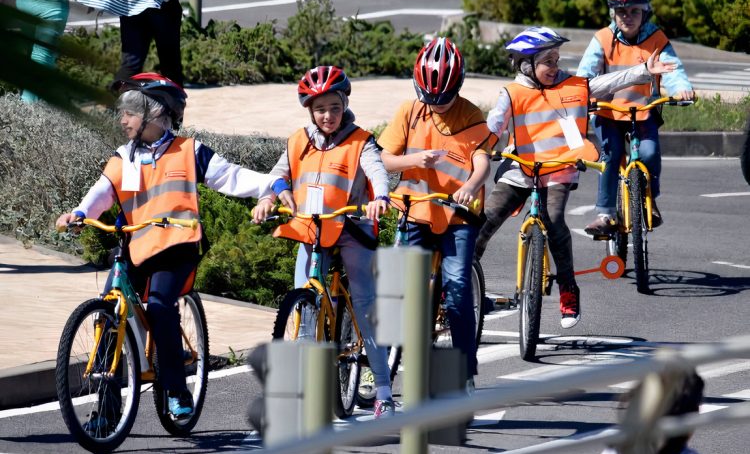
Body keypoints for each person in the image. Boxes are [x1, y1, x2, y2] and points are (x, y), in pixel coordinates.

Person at [56, 72, 282, 421]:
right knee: (107, 318)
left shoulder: (188, 151)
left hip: (178, 247)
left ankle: (176, 389)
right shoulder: (124, 156)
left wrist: (272, 185)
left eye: (130, 112)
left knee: (160, 307)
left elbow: (233, 176)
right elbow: (103, 191)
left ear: (155, 115)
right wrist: (80, 213)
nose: (122, 119)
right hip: (137, 248)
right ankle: (107, 408)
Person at [473, 26, 678, 328]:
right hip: (521, 170)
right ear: (526, 65)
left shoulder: (571, 86)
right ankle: (458, 287)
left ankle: (568, 289)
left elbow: (605, 83)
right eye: (549, 61)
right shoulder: (512, 93)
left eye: (557, 59)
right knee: (483, 223)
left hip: (558, 169)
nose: (555, 67)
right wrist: (483, 149)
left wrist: (644, 71)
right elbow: (493, 128)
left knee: (554, 220)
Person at [252, 66, 396, 418]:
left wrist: (381, 197)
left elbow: (377, 170)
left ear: (344, 104)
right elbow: (277, 175)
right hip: (312, 230)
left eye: (334, 107)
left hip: (352, 228)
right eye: (320, 109)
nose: (328, 115)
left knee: (364, 305)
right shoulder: (297, 141)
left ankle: (383, 393)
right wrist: (273, 196)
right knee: (304, 303)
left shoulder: (361, 140)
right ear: (309, 110)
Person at [377, 38, 495, 389]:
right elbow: (384, 157)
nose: (435, 104)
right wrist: (414, 160)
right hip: (415, 211)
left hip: (458, 216)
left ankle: (463, 374)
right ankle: (377, 366)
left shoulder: (472, 115)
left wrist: (470, 187)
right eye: (428, 96)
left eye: (443, 98)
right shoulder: (409, 112)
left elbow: (482, 163)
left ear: (458, 87)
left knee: (457, 289)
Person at [578, 0, 695, 236]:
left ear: (646, 12)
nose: (626, 16)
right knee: (610, 155)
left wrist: (680, 89)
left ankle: (650, 199)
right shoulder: (602, 39)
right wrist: (580, 94)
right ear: (612, 13)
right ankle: (605, 214)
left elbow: (672, 69)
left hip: (642, 113)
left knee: (650, 154)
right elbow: (585, 74)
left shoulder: (656, 39)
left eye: (634, 11)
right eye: (620, 11)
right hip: (608, 113)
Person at [72, 0, 187, 87]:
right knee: (170, 62)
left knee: (131, 62)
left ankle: (118, 100)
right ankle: (173, 102)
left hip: (130, 0)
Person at [0, 0, 90, 102]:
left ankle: (24, 108)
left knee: (30, 57)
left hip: (23, 0)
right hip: (52, 0)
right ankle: (28, 109)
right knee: (42, 58)